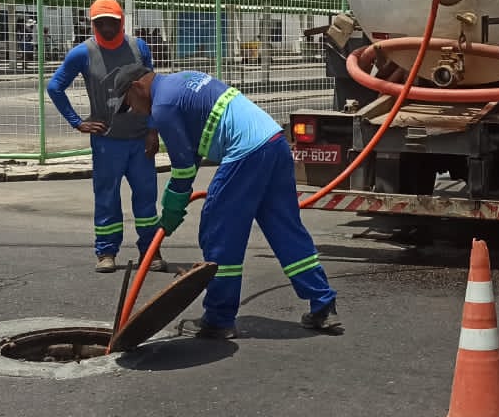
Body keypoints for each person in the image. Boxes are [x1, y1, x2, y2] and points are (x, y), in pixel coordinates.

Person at [101, 62, 342, 340]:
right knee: (285, 229)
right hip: (274, 143)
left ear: (136, 87)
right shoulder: (182, 80)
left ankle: (218, 318)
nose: (133, 110)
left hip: (247, 152)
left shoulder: (163, 106)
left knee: (219, 232)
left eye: (129, 103)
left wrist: (170, 213)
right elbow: (191, 150)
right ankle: (323, 306)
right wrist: (173, 204)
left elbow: (183, 169)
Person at [46, 0, 164, 274]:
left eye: (112, 21)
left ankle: (150, 250)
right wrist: (77, 122)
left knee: (146, 198)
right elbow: (55, 87)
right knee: (107, 197)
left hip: (139, 139)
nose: (107, 27)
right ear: (93, 24)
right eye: (101, 22)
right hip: (106, 142)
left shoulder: (139, 47)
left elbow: (151, 89)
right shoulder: (82, 53)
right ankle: (107, 251)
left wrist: (153, 130)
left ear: (121, 20)